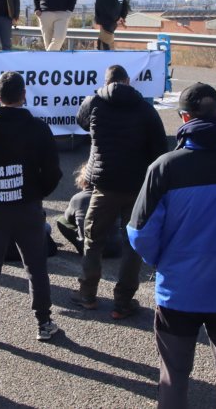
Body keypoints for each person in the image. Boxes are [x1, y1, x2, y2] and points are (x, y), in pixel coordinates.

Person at [126, 82, 216, 408]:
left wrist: (165, 261)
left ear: (184, 118)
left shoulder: (164, 167)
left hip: (178, 292)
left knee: (174, 379)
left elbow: (139, 233)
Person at [0, 71, 62, 344]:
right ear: (24, 95)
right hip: (29, 208)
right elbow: (53, 172)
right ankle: (44, 323)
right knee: (36, 265)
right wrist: (35, 193)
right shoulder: (39, 129)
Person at [72, 64, 166, 319]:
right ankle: (123, 301)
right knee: (132, 245)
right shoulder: (144, 107)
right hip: (136, 186)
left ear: (107, 81)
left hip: (103, 185)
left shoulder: (94, 102)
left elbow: (81, 123)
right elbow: (160, 147)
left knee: (93, 240)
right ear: (127, 81)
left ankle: (88, 295)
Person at [54, 162, 123, 258]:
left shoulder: (78, 198)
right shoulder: (115, 195)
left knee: (61, 220)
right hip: (116, 248)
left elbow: (68, 218)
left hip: (90, 250)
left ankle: (83, 240)